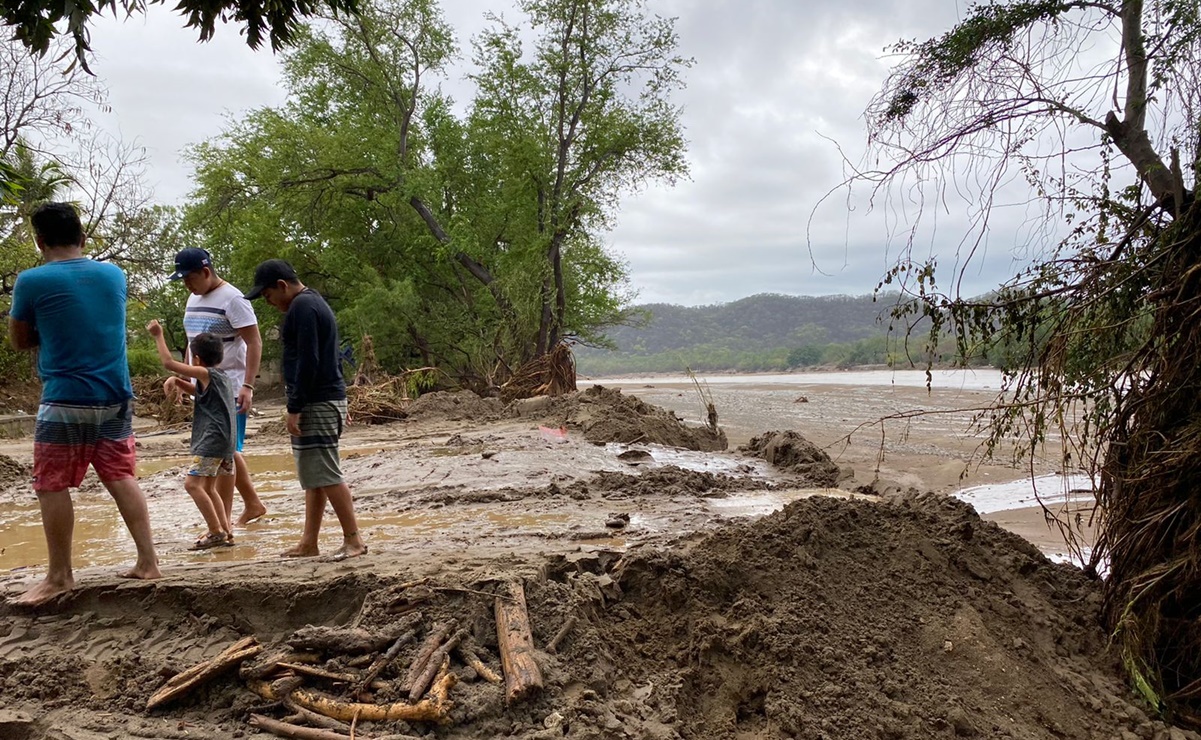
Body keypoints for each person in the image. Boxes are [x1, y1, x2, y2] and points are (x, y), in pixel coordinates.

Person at [7, 202, 160, 605]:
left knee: (51, 484)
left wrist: (50, 331)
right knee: (120, 475)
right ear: (83, 238)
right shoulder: (114, 274)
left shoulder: (31, 281)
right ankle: (149, 562)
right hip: (116, 395)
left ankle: (60, 575)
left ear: (40, 242)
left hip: (65, 397)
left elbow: (19, 340)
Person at [243, 259, 367, 561]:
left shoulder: (302, 308)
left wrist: (295, 405)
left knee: (326, 473)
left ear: (282, 286)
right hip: (327, 398)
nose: (269, 303)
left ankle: (354, 540)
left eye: (268, 296)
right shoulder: (315, 303)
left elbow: (308, 360)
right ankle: (309, 543)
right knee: (316, 476)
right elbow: (328, 356)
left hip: (317, 401)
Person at [167, 247, 267, 526]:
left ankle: (224, 518)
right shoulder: (193, 297)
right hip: (204, 389)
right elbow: (192, 340)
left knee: (225, 451)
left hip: (229, 389)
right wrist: (188, 381)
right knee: (229, 450)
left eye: (189, 278)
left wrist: (248, 385)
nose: (186, 284)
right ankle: (252, 504)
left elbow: (255, 342)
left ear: (206, 272)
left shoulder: (234, 299)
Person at [147, 320, 237, 550]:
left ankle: (216, 531)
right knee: (208, 488)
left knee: (192, 485)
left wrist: (158, 335)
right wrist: (178, 382)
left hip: (212, 441)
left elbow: (168, 362)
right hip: (226, 443)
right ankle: (224, 530)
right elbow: (199, 391)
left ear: (196, 359)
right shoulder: (221, 376)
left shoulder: (205, 372)